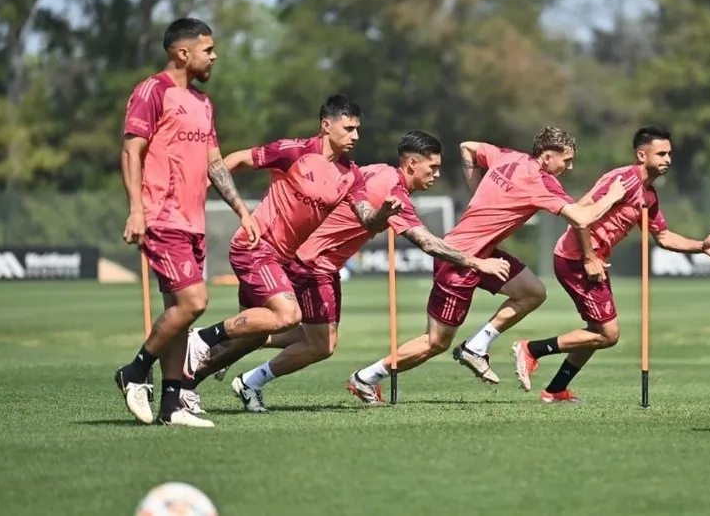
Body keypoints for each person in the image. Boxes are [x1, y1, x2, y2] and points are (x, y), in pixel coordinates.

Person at [202, 130, 511, 411]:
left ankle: (238, 343)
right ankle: (247, 376)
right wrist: (477, 262)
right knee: (321, 345)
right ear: (412, 164)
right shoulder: (393, 192)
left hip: (319, 263)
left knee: (309, 336)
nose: (437, 174)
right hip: (313, 264)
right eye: (433, 168)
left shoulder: (379, 170)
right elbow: (428, 243)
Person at [346, 127, 634, 403]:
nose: (569, 167)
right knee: (436, 342)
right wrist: (612, 197)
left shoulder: (508, 157)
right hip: (458, 260)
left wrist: (477, 191)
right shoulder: (541, 182)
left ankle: (476, 346)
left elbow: (468, 148)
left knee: (532, 292)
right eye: (566, 160)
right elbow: (582, 219)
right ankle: (366, 377)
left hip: (482, 254)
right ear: (547, 156)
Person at [175, 95, 401, 413]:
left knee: (252, 337)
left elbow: (366, 218)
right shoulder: (293, 151)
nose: (356, 136)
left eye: (357, 130)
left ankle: (184, 388)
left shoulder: (351, 174)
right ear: (326, 125)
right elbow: (235, 160)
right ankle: (200, 338)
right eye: (349, 128)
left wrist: (383, 215)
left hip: (279, 260)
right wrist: (197, 193)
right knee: (289, 316)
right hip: (255, 247)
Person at [512, 125, 710, 401]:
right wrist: (589, 258)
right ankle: (531, 350)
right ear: (642, 155)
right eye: (661, 154)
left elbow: (664, 237)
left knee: (597, 331)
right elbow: (580, 214)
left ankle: (556, 390)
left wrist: (701, 246)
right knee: (608, 334)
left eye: (669, 154)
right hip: (576, 259)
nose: (668, 159)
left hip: (594, 261)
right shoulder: (622, 180)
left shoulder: (649, 195)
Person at [113, 18, 258, 428]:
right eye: (207, 50)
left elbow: (215, 164)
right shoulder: (152, 91)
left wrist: (241, 210)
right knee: (195, 302)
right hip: (162, 217)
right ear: (182, 53)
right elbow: (131, 152)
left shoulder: (203, 103)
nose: (214, 56)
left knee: (180, 313)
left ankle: (171, 405)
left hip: (193, 223)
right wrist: (137, 209)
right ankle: (135, 371)